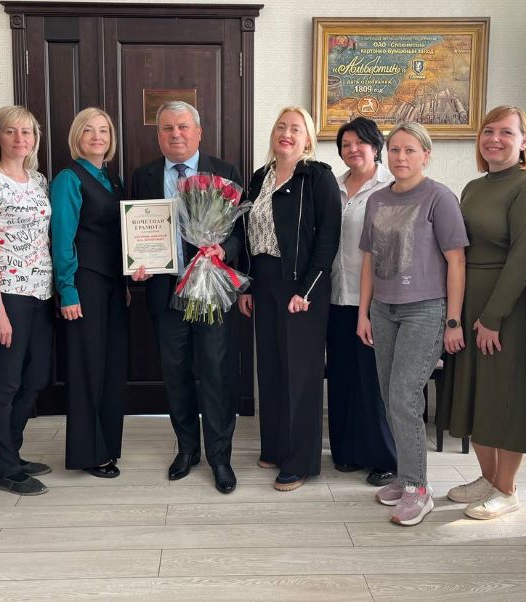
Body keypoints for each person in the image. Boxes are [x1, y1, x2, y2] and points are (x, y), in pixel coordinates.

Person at [439, 106, 526, 519]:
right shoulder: (474, 187)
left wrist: (493, 317)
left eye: (506, 132)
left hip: (506, 311)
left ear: (524, 142)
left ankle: (507, 489)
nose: (494, 139)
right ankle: (488, 478)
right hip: (469, 303)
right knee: (476, 395)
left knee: (504, 398)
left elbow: (524, 259)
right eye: (488, 131)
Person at [357, 121, 467, 526]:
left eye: (409, 150)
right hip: (384, 310)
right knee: (390, 397)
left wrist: (453, 321)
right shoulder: (377, 200)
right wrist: (363, 312)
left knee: (404, 396)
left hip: (425, 310)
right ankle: (406, 478)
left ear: (426, 155)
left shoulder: (440, 198)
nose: (400, 157)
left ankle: (419, 490)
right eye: (395, 150)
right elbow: (368, 259)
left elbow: (457, 261)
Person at [131, 100, 243, 494]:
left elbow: (240, 231)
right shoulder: (143, 176)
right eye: (167, 128)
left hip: (210, 291)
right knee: (175, 376)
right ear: (158, 135)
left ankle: (220, 458)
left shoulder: (224, 172)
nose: (175, 134)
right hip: (165, 293)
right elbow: (134, 229)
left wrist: (224, 250)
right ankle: (187, 449)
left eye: (182, 127)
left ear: (198, 132)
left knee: (215, 375)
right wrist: (137, 263)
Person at [238, 106, 341, 492]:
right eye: (281, 126)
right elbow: (246, 233)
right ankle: (275, 447)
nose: (287, 133)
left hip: (301, 286)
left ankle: (299, 462)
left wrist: (307, 290)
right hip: (263, 282)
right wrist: (246, 285)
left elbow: (327, 239)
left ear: (308, 138)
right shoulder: (259, 177)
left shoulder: (317, 177)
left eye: (296, 128)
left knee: (300, 374)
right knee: (271, 368)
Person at [0, 106, 54, 496]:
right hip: (8, 293)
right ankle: (5, 468)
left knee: (37, 376)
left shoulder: (39, 180)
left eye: (27, 132)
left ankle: (10, 451)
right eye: (11, 131)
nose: (20, 138)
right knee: (6, 382)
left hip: (42, 291)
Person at [51, 108, 128, 478]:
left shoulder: (113, 180)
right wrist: (67, 289)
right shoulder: (69, 178)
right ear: (77, 137)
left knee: (111, 367)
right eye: (89, 130)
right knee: (86, 368)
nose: (98, 137)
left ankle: (107, 446)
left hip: (113, 286)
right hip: (83, 284)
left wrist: (127, 281)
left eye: (104, 130)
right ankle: (88, 453)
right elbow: (62, 238)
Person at [325, 117, 398, 486]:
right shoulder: (332, 186)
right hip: (335, 296)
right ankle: (346, 452)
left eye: (360, 143)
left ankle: (384, 458)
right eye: (346, 144)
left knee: (373, 382)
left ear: (375, 146)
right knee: (341, 378)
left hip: (374, 300)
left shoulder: (390, 187)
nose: (352, 149)